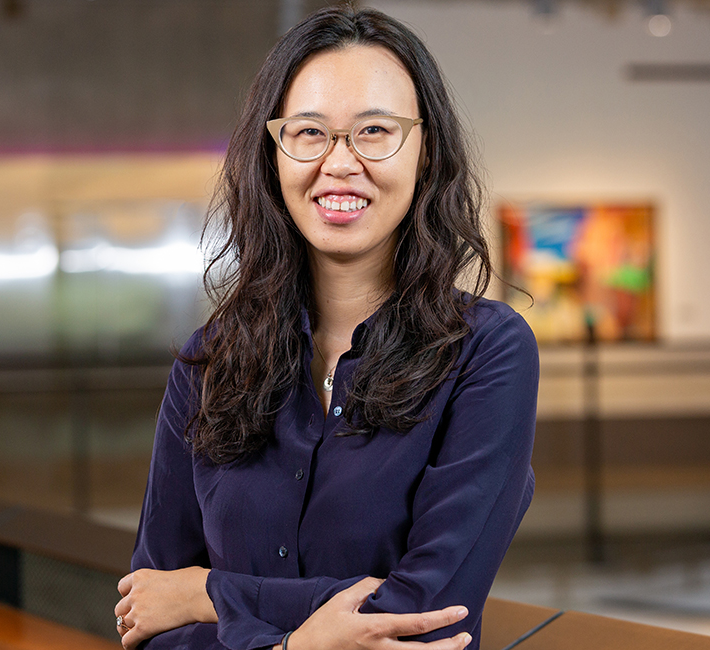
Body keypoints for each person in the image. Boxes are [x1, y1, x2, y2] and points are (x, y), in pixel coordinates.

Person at [114, 6, 538, 650]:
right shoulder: (208, 363)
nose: (339, 162)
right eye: (310, 133)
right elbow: (147, 624)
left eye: (375, 131)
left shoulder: (486, 352)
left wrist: (210, 594)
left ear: (426, 153)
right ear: (273, 154)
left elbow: (427, 614)